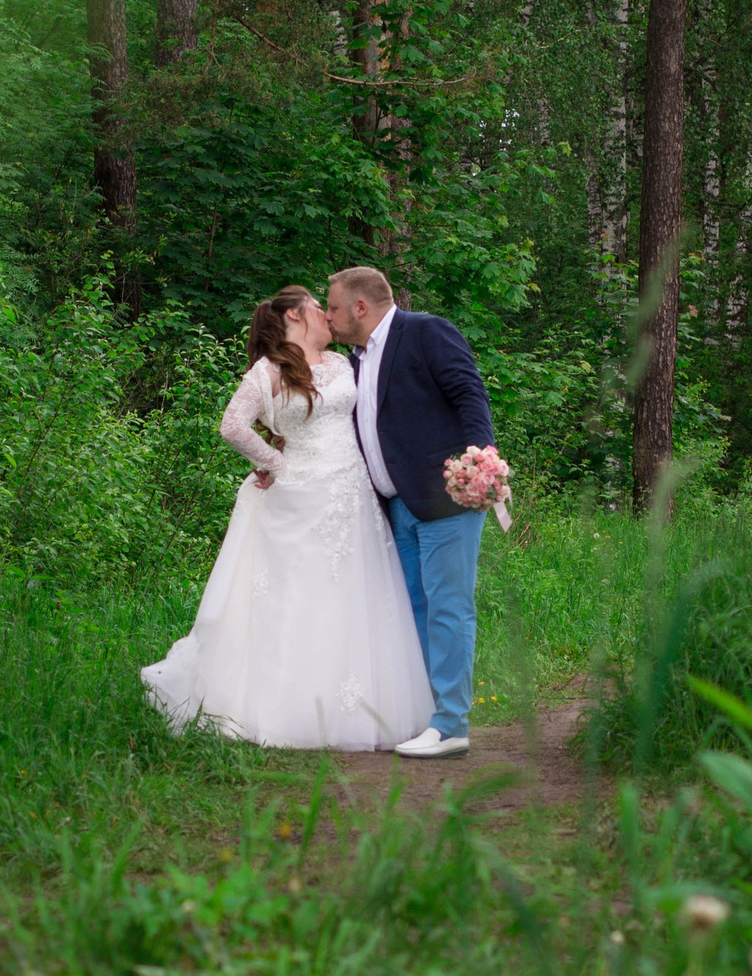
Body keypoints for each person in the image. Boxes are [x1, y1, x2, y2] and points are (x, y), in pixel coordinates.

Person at [140, 285, 435, 749]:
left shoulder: (343, 364)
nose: (328, 315)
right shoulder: (269, 371)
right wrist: (276, 463)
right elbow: (232, 425)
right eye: (320, 308)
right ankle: (290, 708)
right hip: (301, 494)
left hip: (352, 494)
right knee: (301, 597)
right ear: (296, 315)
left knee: (354, 595)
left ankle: (361, 708)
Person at [323, 264, 492, 760]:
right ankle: (428, 715)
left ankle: (451, 724)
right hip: (396, 504)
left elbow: (469, 394)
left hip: (446, 496)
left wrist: (478, 462)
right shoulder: (352, 361)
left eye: (333, 307)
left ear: (360, 306)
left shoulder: (425, 332)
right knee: (413, 609)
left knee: (448, 608)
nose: (328, 317)